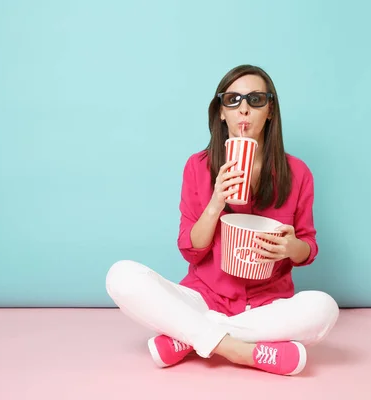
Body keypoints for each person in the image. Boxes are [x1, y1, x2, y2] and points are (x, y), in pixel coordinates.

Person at [105, 64, 339, 376]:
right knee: (120, 276)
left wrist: (291, 247)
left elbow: (308, 248)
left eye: (256, 100)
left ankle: (190, 337)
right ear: (221, 113)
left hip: (266, 306)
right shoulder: (197, 167)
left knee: (324, 309)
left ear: (270, 111)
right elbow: (191, 250)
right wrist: (217, 201)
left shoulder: (297, 173)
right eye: (233, 100)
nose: (244, 108)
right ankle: (240, 351)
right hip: (203, 297)